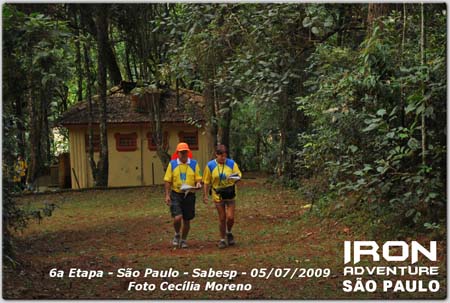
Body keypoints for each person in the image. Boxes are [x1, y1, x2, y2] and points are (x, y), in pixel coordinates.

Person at [203, 144, 242, 249]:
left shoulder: (232, 163)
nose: (223, 158)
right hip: (218, 194)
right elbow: (206, 181)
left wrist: (231, 177)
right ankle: (222, 239)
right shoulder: (210, 165)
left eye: (225, 156)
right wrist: (205, 195)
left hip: (230, 193)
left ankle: (229, 232)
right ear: (216, 155)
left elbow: (239, 175)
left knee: (230, 217)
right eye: (221, 156)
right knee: (222, 218)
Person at [163, 142, 202, 248]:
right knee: (177, 217)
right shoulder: (172, 164)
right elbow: (167, 180)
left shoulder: (193, 164)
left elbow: (198, 178)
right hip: (176, 193)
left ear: (188, 152)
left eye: (185, 152)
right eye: (181, 152)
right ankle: (177, 234)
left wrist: (198, 184)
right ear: (177, 153)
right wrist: (167, 195)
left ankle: (184, 239)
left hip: (189, 194)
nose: (183, 154)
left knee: (187, 220)